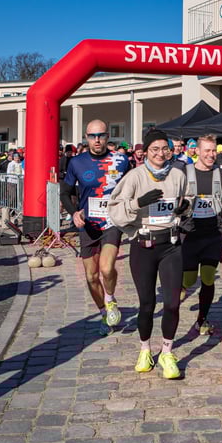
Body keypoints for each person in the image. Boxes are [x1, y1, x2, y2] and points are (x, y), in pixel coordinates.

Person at [108, 128, 193, 379]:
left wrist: (185, 207)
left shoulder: (178, 174)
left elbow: (187, 200)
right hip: (143, 245)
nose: (160, 154)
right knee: (147, 304)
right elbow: (115, 211)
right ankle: (145, 349)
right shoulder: (134, 177)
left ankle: (167, 351)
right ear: (145, 152)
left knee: (173, 303)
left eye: (164, 149)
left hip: (171, 244)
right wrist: (138, 203)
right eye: (154, 149)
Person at [59, 120, 130, 335]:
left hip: (111, 222)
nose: (96, 139)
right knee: (91, 276)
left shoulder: (121, 160)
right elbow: (65, 192)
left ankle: (109, 300)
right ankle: (103, 314)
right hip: (88, 223)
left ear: (108, 136)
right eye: (92, 136)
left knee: (107, 268)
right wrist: (74, 213)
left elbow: (132, 188)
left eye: (100, 135)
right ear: (86, 138)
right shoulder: (76, 162)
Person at [180, 134, 222, 334]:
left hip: (212, 233)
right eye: (207, 150)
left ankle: (202, 320)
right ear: (196, 151)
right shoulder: (184, 172)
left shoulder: (221, 175)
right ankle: (175, 300)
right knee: (188, 280)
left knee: (207, 277)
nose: (211, 154)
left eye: (214, 150)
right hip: (189, 234)